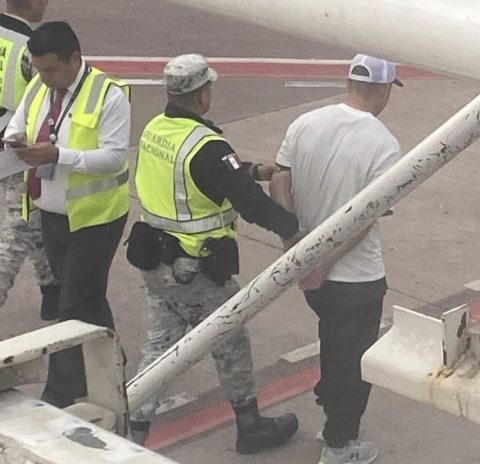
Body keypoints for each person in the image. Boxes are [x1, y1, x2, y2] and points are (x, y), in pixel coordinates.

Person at [127, 54, 301, 454]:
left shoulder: (158, 128)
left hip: (156, 260)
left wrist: (253, 170)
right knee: (230, 340)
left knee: (160, 346)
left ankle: (133, 429)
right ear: (203, 94)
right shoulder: (206, 145)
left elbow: (207, 177)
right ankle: (250, 425)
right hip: (197, 269)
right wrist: (292, 229)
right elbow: (250, 205)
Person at [270, 53, 402, 464]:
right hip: (355, 277)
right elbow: (365, 220)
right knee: (354, 362)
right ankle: (340, 444)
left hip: (310, 274)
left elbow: (279, 180)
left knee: (334, 343)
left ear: (349, 83)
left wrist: (296, 246)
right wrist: (325, 262)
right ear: (382, 90)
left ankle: (331, 410)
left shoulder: (305, 123)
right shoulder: (382, 143)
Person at [5, 21, 131, 407]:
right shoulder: (40, 86)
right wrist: (16, 139)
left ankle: (58, 396)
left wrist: (59, 155)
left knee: (71, 305)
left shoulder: (110, 96)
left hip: (95, 219)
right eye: (39, 70)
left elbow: (113, 157)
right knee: (88, 299)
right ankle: (110, 366)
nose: (44, 78)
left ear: (75, 58)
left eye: (52, 70)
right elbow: (18, 121)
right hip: (52, 214)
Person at [0, 0, 59, 320]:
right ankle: (54, 288)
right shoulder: (30, 49)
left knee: (34, 220)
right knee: (19, 231)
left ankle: (53, 288)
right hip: (16, 151)